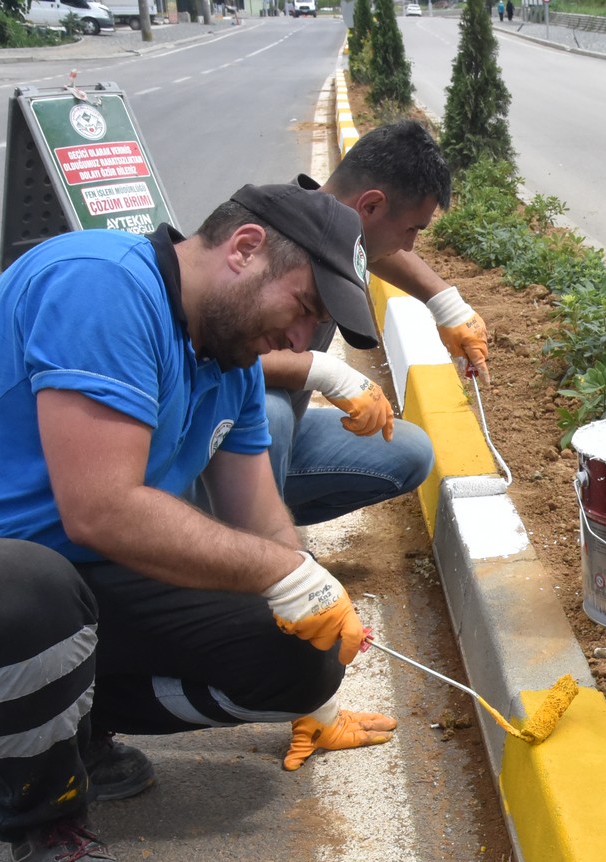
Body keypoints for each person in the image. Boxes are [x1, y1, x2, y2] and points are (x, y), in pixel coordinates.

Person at [0, 184, 392, 862]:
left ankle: (74, 730)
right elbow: (100, 510)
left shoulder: (228, 363)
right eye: (303, 309)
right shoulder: (100, 281)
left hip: (74, 583)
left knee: (300, 658)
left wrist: (313, 615)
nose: (301, 342)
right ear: (245, 248)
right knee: (25, 590)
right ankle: (48, 829)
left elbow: (263, 525)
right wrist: (277, 574)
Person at [248, 120, 490, 771]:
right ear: (372, 206)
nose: (412, 243)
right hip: (220, 457)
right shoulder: (266, 250)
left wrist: (447, 304)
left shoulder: (331, 220)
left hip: (282, 443)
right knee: (266, 412)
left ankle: (267, 530)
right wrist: (330, 374)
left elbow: (376, 251)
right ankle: (252, 575)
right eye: (413, 227)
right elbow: (217, 357)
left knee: (406, 452)